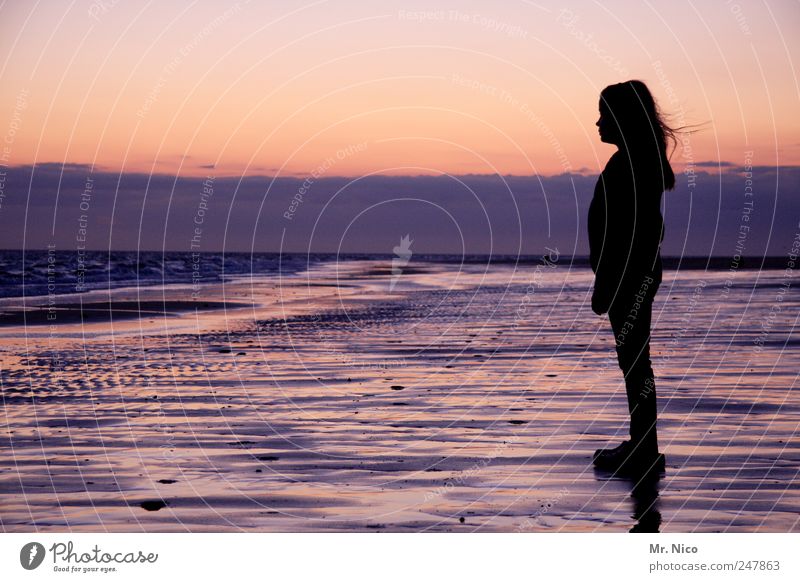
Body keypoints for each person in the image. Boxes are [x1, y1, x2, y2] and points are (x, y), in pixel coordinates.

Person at [588, 80, 676, 476]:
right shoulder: (634, 162)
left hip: (630, 279)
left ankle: (644, 449)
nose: (598, 122)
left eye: (605, 114)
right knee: (635, 363)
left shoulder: (632, 166)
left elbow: (635, 232)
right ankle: (643, 444)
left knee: (635, 363)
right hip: (633, 277)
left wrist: (609, 283)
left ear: (624, 119)